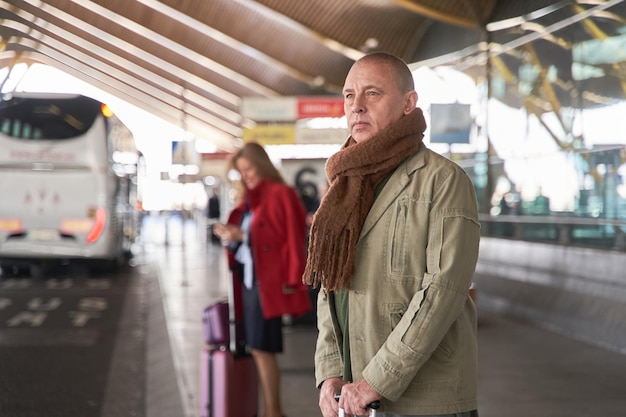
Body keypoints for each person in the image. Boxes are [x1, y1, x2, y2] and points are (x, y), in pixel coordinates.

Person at [303, 52, 481, 417]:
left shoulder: (443, 180)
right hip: (355, 397)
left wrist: (377, 381)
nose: (357, 107)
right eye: (350, 95)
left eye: (373, 93)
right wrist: (331, 370)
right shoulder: (345, 185)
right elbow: (330, 286)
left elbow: (442, 293)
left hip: (427, 400)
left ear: (408, 103)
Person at [213, 142, 312, 417]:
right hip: (249, 283)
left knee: (261, 348)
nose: (246, 176)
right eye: (242, 172)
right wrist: (232, 235)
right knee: (257, 348)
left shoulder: (281, 194)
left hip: (265, 284)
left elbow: (291, 239)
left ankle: (274, 411)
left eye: (249, 169)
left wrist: (242, 236)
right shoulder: (250, 200)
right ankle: (271, 410)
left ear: (262, 165)